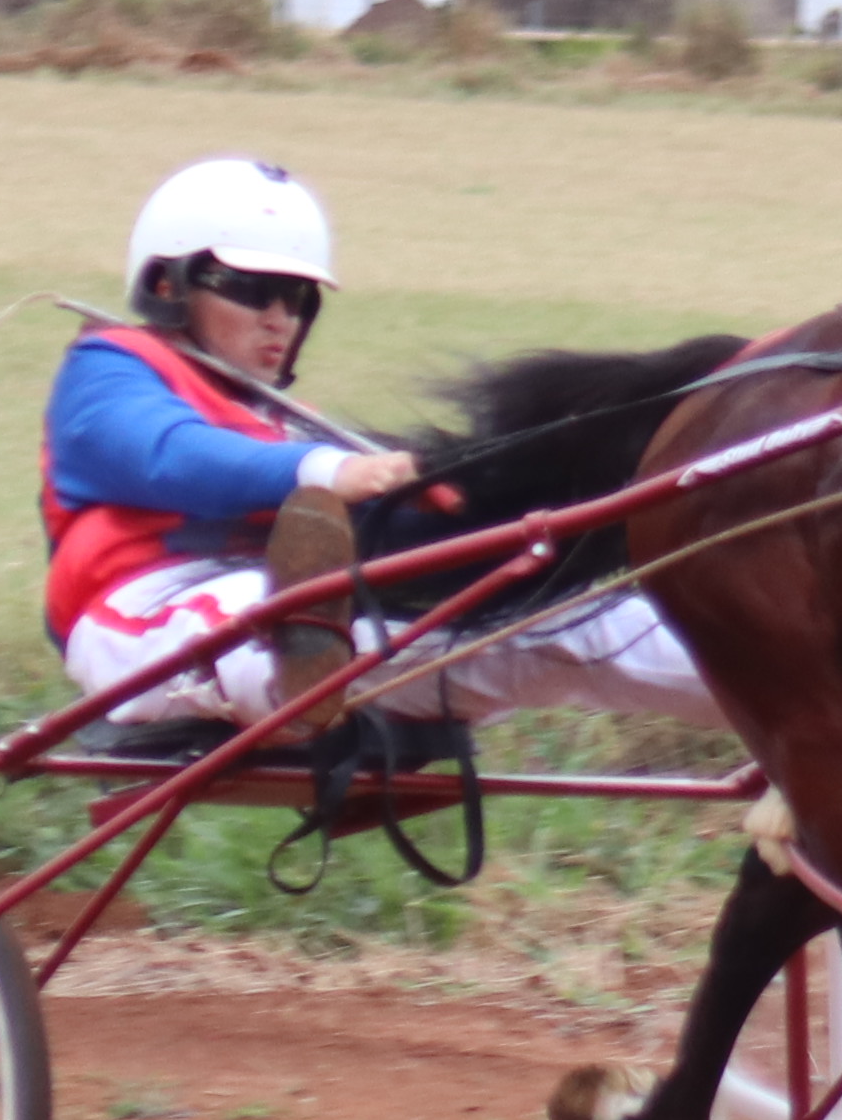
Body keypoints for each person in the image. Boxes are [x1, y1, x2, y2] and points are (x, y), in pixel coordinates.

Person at [41, 155, 713, 740]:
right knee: (269, 613)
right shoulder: (110, 368)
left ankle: (771, 674)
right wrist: (331, 471)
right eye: (253, 291)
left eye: (297, 298)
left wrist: (490, 517)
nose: (280, 318)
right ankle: (301, 660)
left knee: (564, 628)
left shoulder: (281, 423)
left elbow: (371, 523)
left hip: (312, 604)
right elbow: (170, 456)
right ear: (168, 285)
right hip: (143, 619)